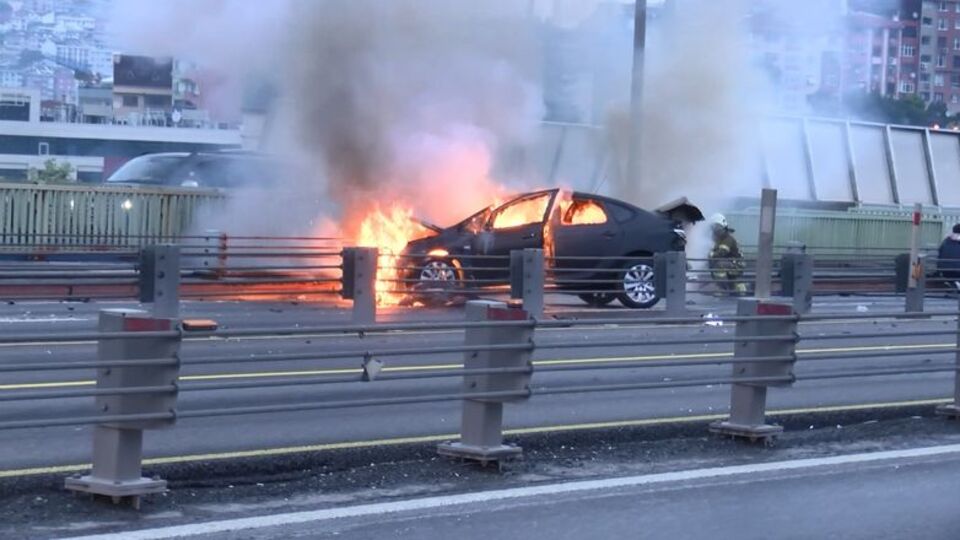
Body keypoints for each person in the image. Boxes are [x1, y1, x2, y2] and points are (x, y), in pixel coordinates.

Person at [708, 213, 748, 295]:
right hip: (732, 264)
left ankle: (723, 290)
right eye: (714, 227)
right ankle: (738, 289)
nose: (715, 230)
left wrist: (711, 254)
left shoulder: (728, 239)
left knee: (719, 266)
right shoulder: (721, 239)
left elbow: (722, 252)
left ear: (723, 227)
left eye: (717, 227)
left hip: (737, 265)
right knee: (718, 266)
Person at [938, 224, 960, 290]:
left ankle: (955, 284)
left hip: (944, 271)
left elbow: (940, 252)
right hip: (957, 271)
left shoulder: (946, 241)